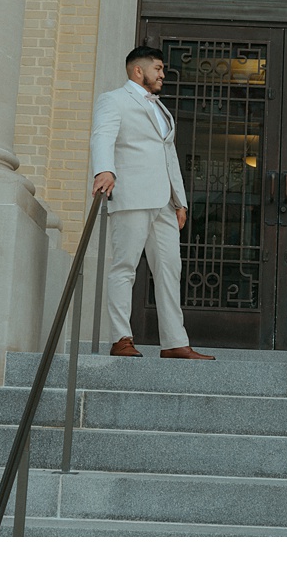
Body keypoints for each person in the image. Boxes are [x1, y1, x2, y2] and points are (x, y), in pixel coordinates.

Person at [90, 45, 214, 359]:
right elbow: (102, 135)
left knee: (171, 269)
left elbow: (168, 154)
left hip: (164, 203)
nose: (162, 74)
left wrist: (180, 201)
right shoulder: (114, 99)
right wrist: (104, 169)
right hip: (132, 196)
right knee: (124, 267)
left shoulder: (160, 107)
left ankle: (174, 342)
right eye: (157, 68)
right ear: (138, 70)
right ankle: (121, 338)